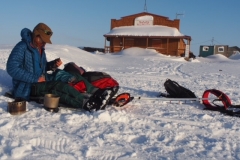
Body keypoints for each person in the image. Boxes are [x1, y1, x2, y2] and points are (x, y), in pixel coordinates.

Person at [6, 23, 109, 111]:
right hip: (28, 86)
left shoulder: (40, 49)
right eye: (43, 40)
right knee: (58, 86)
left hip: (41, 79)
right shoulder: (22, 47)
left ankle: (96, 92)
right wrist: (35, 78)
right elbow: (11, 68)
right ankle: (86, 103)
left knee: (71, 74)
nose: (44, 43)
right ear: (36, 35)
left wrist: (52, 65)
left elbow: (42, 67)